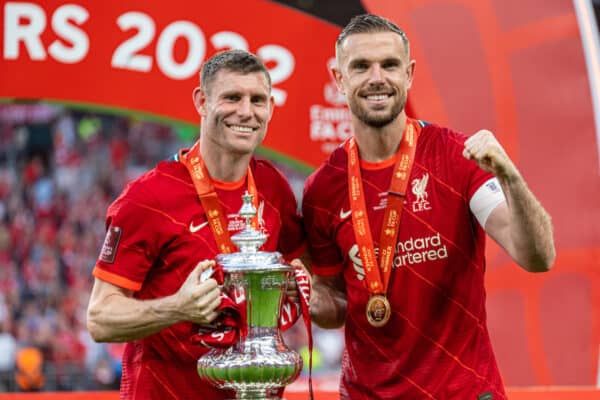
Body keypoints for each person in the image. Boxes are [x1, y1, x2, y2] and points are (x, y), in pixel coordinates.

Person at [302, 14, 555, 399]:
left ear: (409, 73)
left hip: (463, 392)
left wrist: (511, 178)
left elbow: (537, 257)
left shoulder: (456, 156)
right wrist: (298, 291)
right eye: (360, 67)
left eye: (389, 65)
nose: (376, 78)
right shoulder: (323, 189)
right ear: (339, 78)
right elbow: (332, 305)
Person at [86, 49, 305, 400]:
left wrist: (296, 287)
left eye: (257, 100)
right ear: (202, 101)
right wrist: (178, 307)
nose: (246, 112)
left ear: (271, 108)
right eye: (232, 97)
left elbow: (300, 272)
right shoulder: (149, 197)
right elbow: (100, 318)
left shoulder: (273, 189)